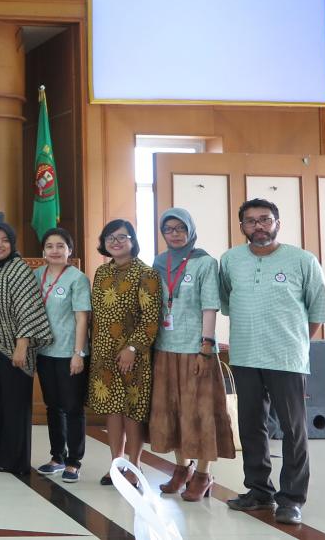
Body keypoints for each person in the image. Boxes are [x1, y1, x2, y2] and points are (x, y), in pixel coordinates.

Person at [221, 198, 325, 525]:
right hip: (245, 355)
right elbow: (227, 301)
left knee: (294, 429)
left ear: (277, 223)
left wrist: (293, 341)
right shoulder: (230, 260)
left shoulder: (302, 260)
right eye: (251, 221)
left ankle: (292, 499)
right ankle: (258, 490)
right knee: (251, 426)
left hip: (287, 358)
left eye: (265, 219)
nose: (259, 226)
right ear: (242, 227)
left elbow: (317, 310)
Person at [148, 208, 234, 501]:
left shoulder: (204, 263)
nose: (174, 233)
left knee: (200, 413)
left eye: (179, 228)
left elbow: (210, 305)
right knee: (171, 411)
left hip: (195, 349)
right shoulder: (159, 262)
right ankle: (181, 468)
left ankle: (203, 474)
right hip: (164, 348)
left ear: (190, 229)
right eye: (168, 229)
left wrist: (206, 346)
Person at [87, 219, 161, 486]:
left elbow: (150, 318)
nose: (116, 242)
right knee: (112, 411)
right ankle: (115, 464)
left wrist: (132, 348)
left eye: (122, 237)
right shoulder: (101, 273)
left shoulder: (146, 273)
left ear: (132, 241)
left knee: (132, 410)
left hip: (133, 355)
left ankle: (134, 465)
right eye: (110, 238)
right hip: (103, 353)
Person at [0, 223, 52, 475]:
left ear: (13, 243)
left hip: (15, 349)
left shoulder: (20, 270)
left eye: (4, 240)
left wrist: (21, 346)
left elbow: (28, 310)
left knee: (14, 405)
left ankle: (14, 459)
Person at [32, 228, 91, 483]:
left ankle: (74, 461)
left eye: (60, 246)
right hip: (45, 352)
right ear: (43, 251)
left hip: (70, 353)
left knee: (73, 407)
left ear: (69, 250)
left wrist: (78, 353)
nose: (54, 251)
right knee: (53, 406)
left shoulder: (77, 279)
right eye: (49, 246)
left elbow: (82, 318)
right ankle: (57, 456)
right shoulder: (36, 275)